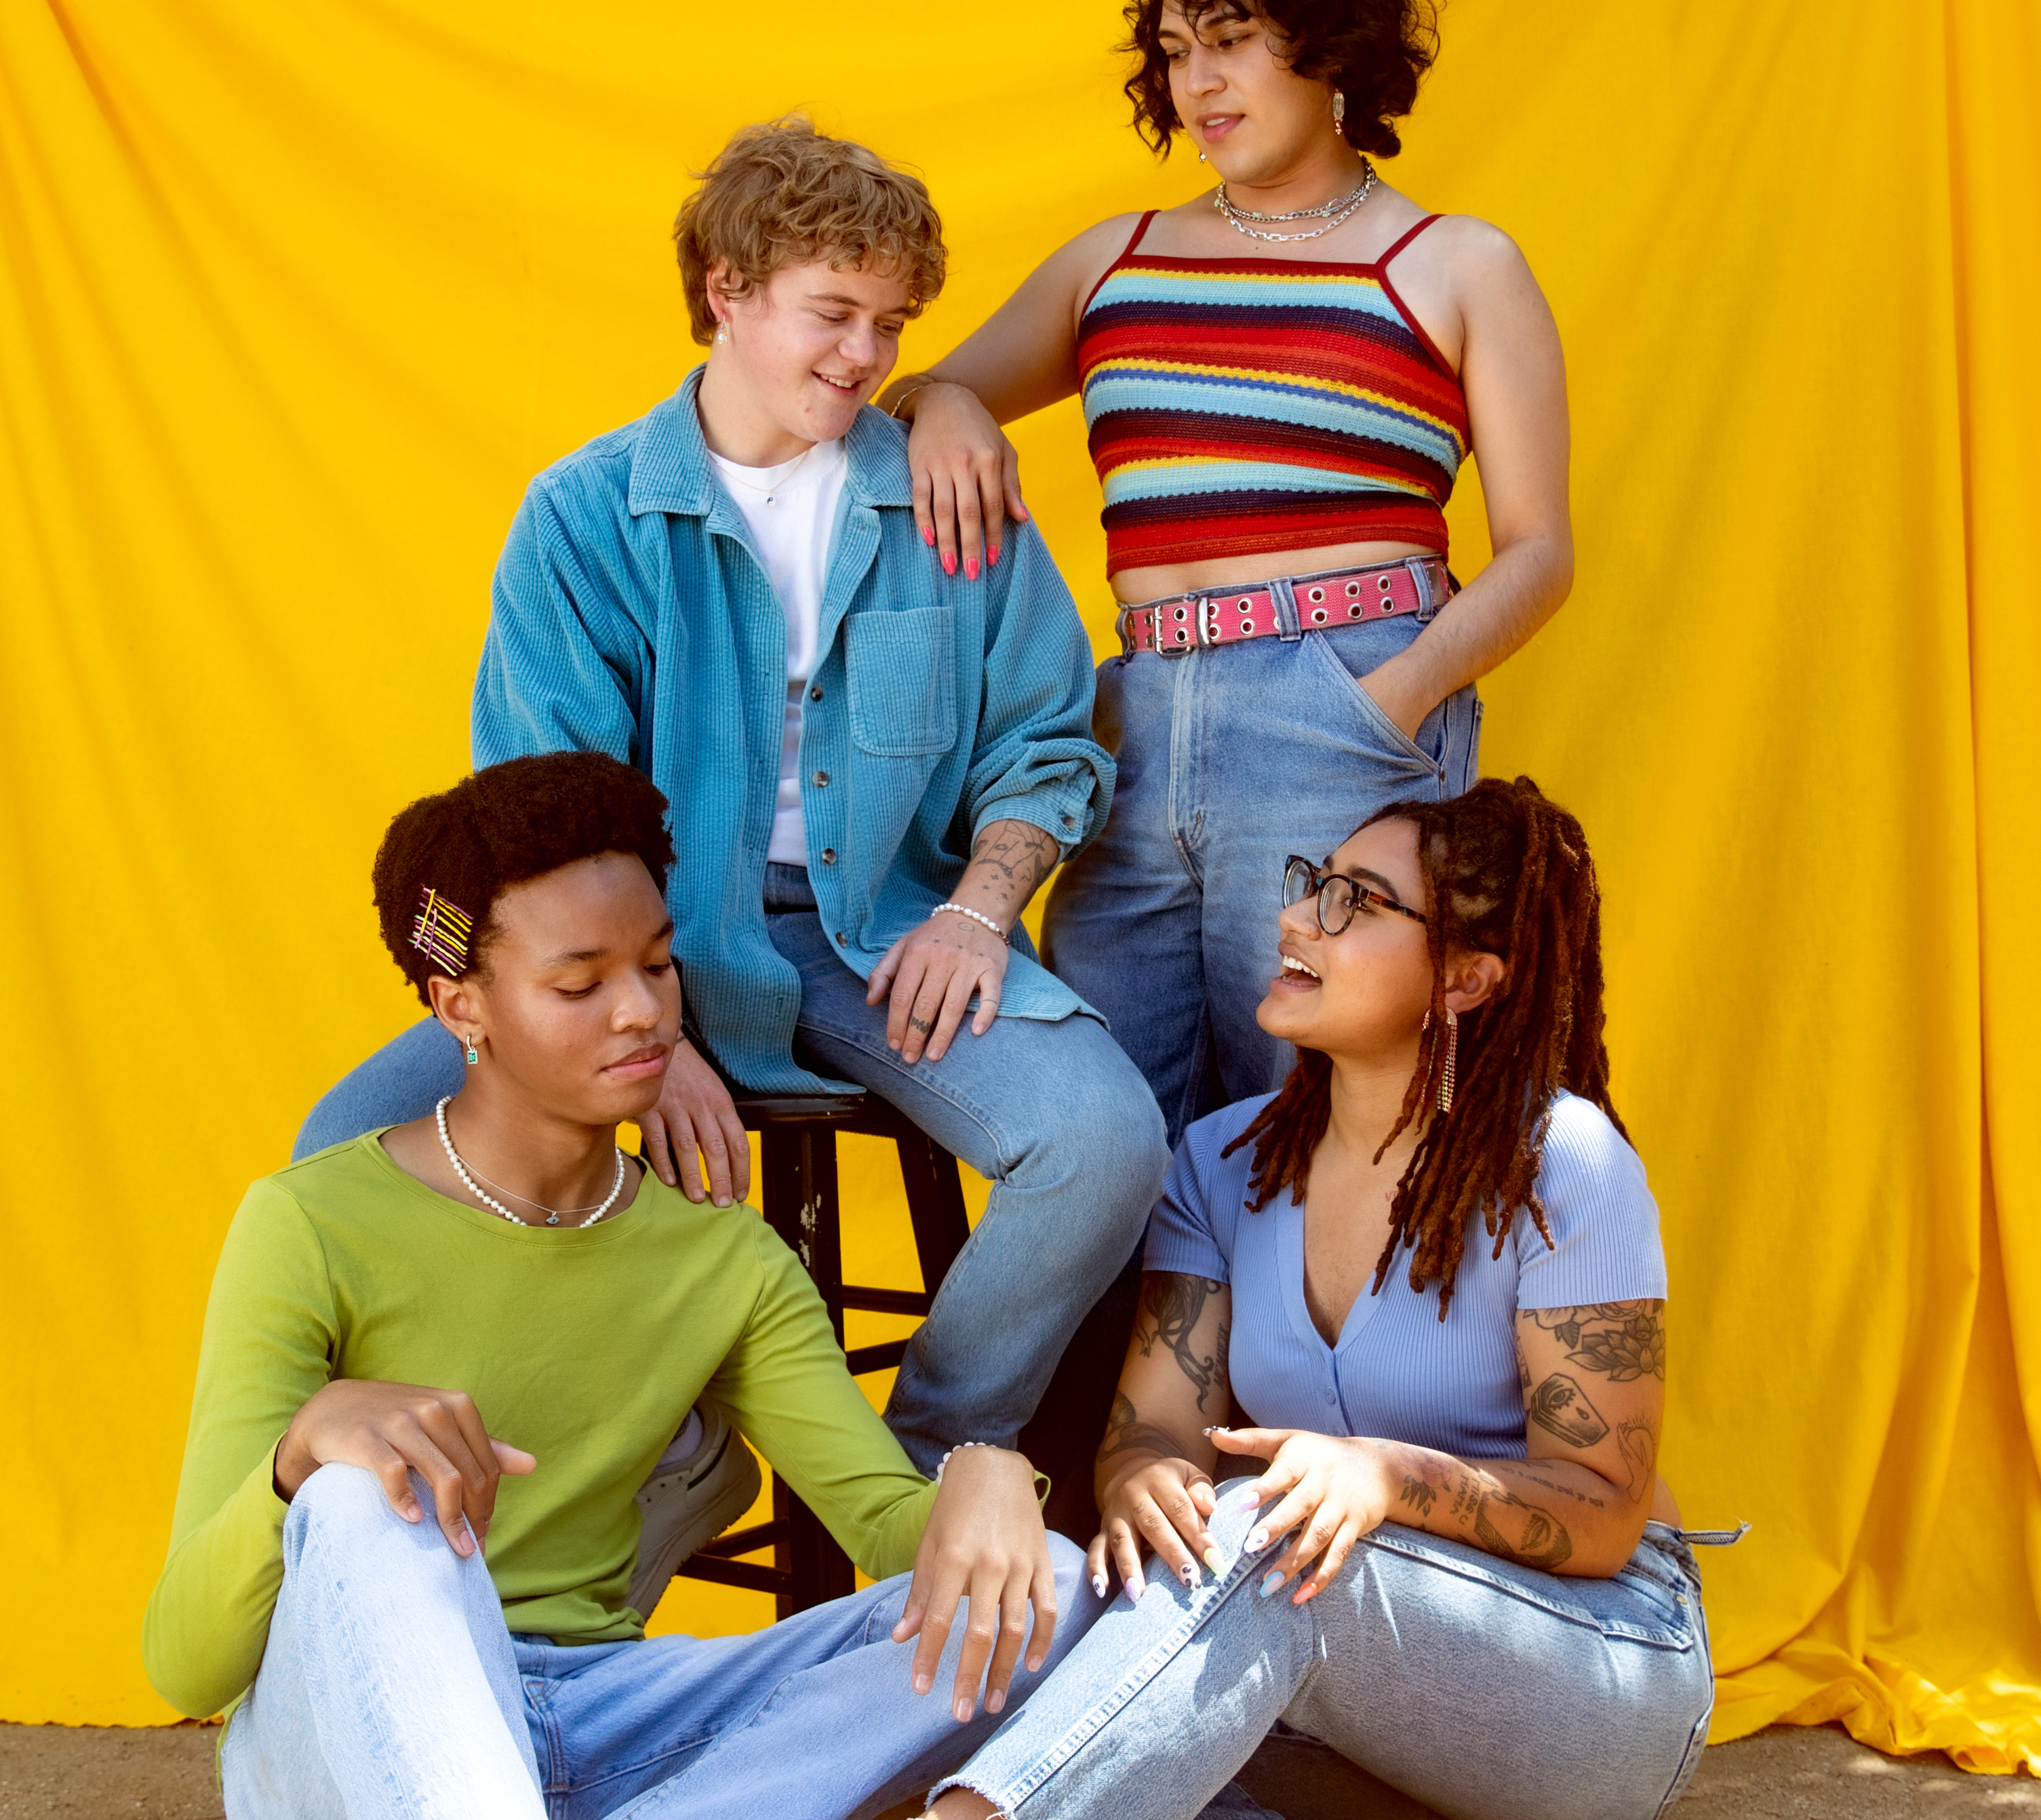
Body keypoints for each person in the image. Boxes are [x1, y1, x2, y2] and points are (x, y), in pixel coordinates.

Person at [292, 119, 1170, 1530]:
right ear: (726, 292)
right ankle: (628, 1457)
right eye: (832, 313)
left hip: (883, 937)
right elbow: (542, 812)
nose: (863, 356)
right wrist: (661, 1021)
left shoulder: (951, 501)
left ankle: (905, 1477)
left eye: (890, 326)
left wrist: (975, 908)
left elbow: (1049, 743)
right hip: (643, 948)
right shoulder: (585, 516)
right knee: (340, 1148)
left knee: (1108, 1138)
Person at [146, 752, 1101, 1819]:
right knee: (363, 1503)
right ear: (462, 1007)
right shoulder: (309, 1226)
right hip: (348, 1728)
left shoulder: (721, 1261)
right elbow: (187, 1666)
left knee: (1049, 1590)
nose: (642, 1013)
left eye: (658, 966)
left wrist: (992, 1476)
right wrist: (304, 1448)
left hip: (603, 1723)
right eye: (579, 983)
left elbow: (886, 1531)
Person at [877, 0, 1575, 1143]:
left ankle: (1338, 1353)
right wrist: (953, 405)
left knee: (1323, 1117)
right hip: (1132, 725)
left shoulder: (1457, 264)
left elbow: (1538, 554)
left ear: (1328, 46)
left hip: (1342, 701)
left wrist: (1389, 701)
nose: (1200, 82)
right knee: (1109, 1134)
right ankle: (1128, 1359)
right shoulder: (1115, 261)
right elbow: (917, 395)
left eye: (1235, 38)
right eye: (1178, 51)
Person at [919, 778, 1741, 1820]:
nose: (1297, 917)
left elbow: (1604, 1512)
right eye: (1315, 884)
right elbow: (1158, 1428)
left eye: (1358, 900)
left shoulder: (1564, 1164)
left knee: (1267, 1536)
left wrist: (1385, 1477)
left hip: (1598, 1668)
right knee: (1119, 1611)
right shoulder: (1224, 1162)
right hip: (1348, 1682)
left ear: (1466, 981)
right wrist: (1146, 1488)